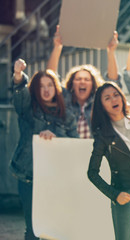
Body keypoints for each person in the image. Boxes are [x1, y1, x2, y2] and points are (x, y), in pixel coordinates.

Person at [10, 59, 78, 240]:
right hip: (28, 177)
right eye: (41, 86)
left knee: (55, 229)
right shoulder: (28, 109)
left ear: (56, 87)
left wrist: (57, 139)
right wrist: (18, 75)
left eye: (50, 85)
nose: (46, 90)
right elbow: (19, 94)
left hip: (57, 179)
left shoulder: (67, 114)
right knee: (33, 229)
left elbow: (75, 143)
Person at [87, 82, 130, 240]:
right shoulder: (102, 135)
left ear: (123, 97)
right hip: (123, 196)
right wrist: (114, 194)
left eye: (116, 95)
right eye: (107, 98)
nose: (113, 100)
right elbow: (92, 173)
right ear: (102, 106)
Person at [47, 25, 122, 138]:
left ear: (93, 85)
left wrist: (111, 52)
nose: (82, 82)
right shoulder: (65, 99)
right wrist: (57, 47)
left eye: (87, 79)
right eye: (78, 79)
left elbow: (113, 82)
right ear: (72, 84)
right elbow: (50, 80)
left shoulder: (99, 101)